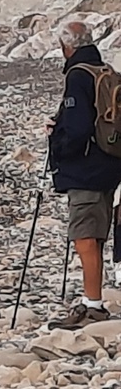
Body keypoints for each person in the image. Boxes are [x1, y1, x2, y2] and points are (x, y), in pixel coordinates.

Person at [47, 20, 121, 329]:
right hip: (110, 162)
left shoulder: (78, 76)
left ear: (67, 47)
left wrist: (59, 148)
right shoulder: (105, 70)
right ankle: (93, 299)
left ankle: (93, 306)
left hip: (87, 169)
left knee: (85, 236)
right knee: (97, 233)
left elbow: (77, 129)